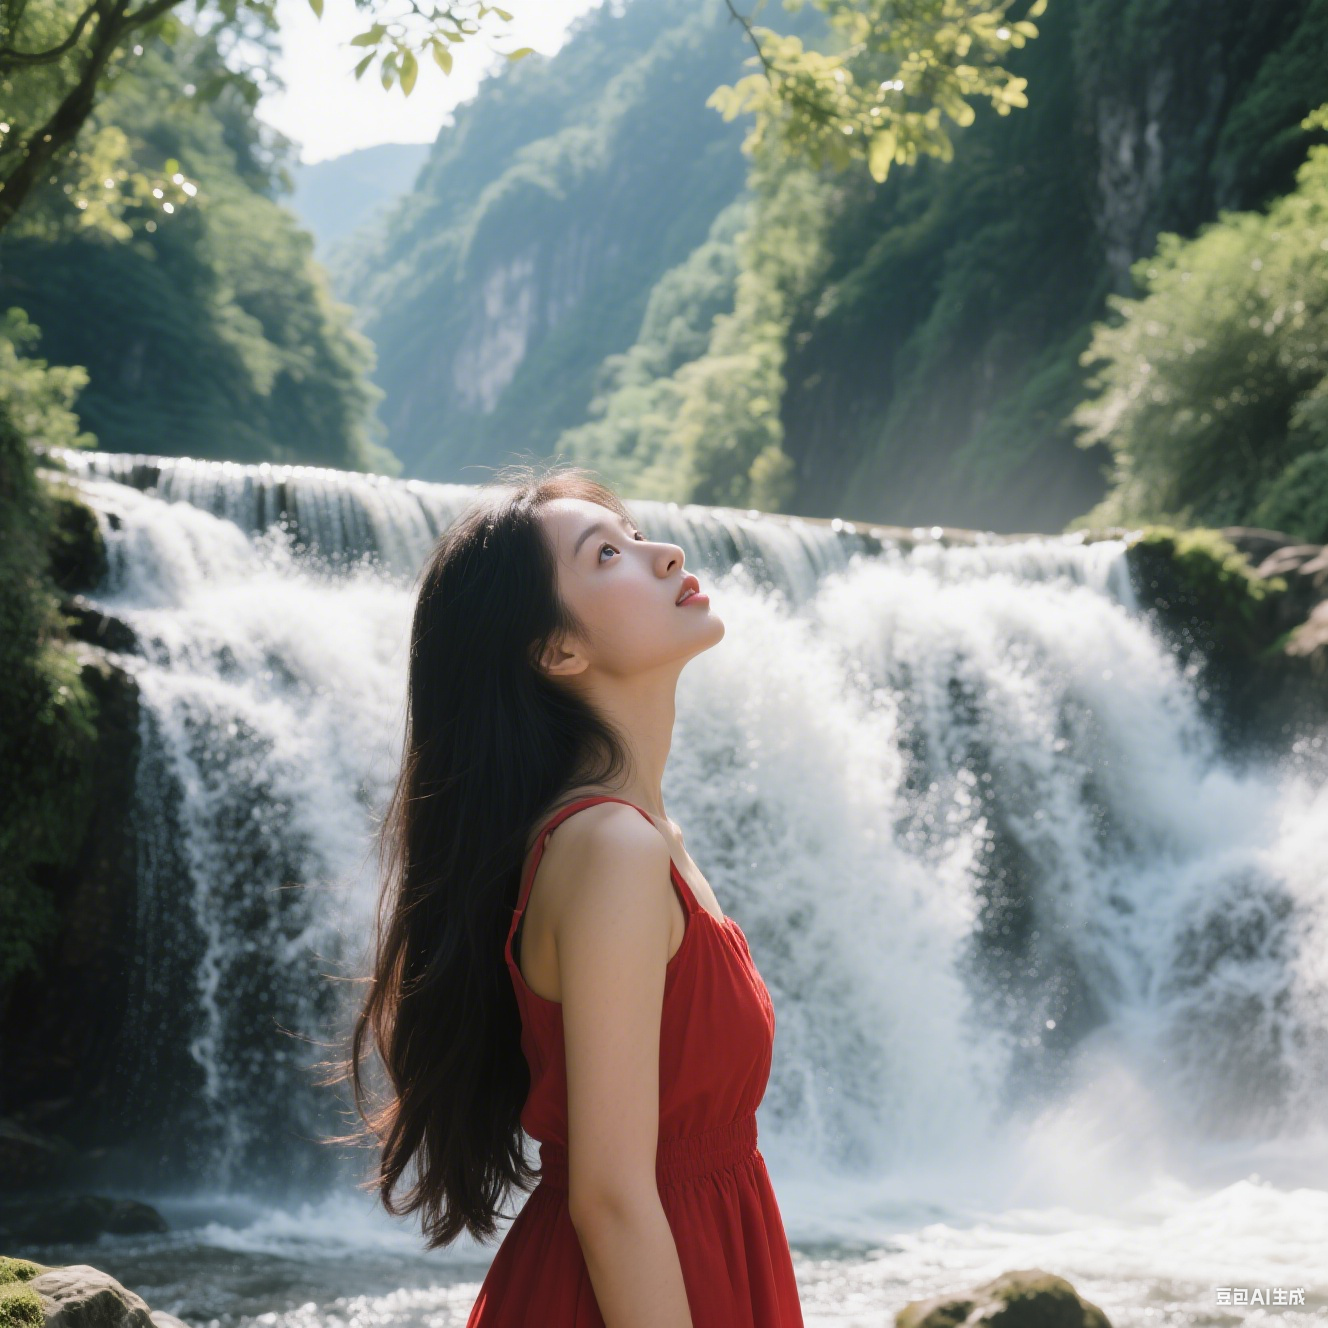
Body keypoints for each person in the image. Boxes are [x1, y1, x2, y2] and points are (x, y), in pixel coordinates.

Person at [331, 463, 803, 1326]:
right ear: (557, 649)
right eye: (607, 555)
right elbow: (612, 1200)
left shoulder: (645, 839)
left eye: (634, 535)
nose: (664, 555)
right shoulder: (612, 848)